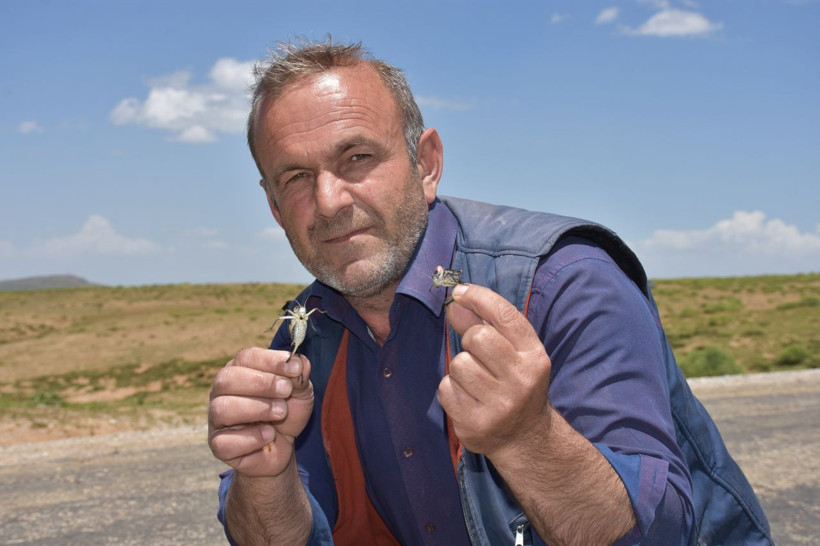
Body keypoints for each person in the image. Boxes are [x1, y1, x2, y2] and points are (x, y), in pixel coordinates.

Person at [208, 39, 771, 545]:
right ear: (274, 206)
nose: (329, 200)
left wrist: (529, 439)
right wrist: (264, 477)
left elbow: (663, 534)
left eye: (357, 158)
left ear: (426, 165)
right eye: (296, 178)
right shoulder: (304, 333)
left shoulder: (565, 280)